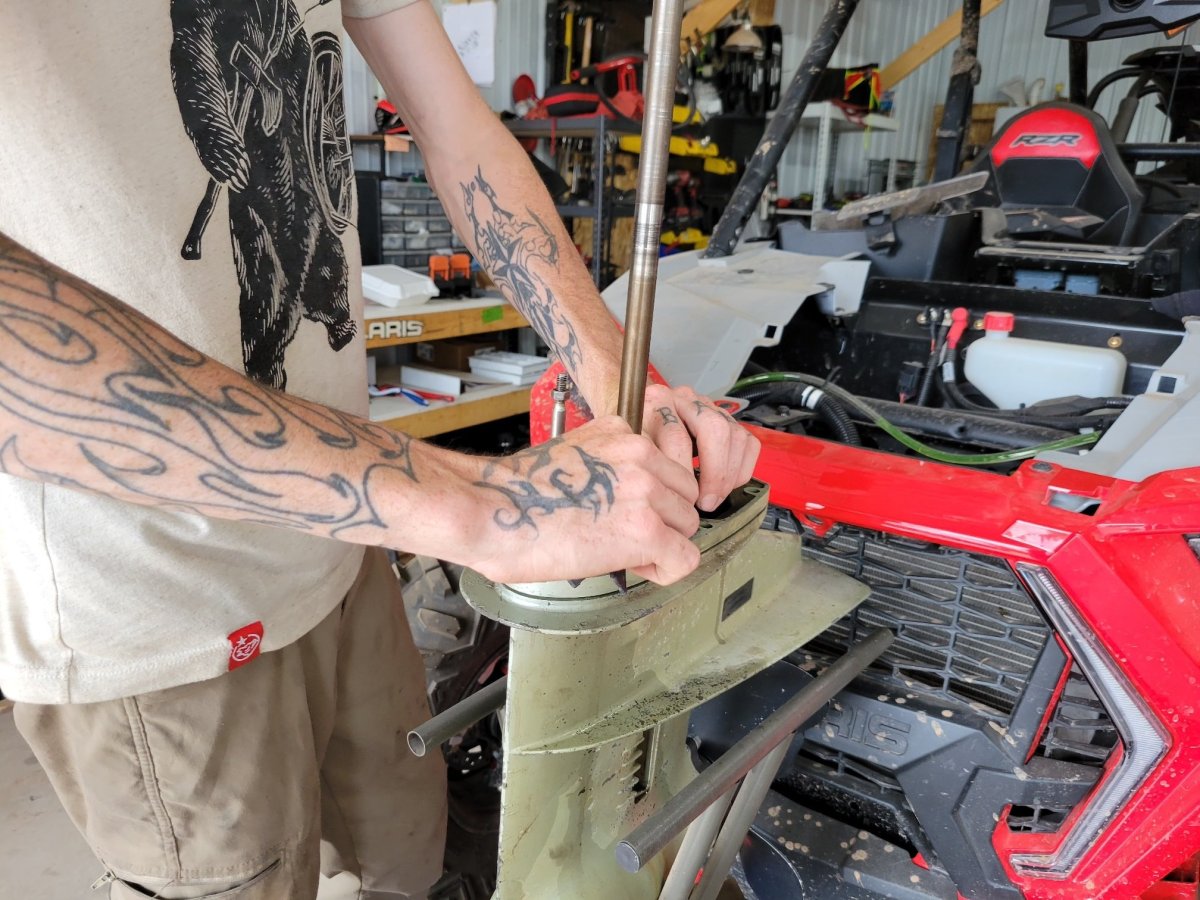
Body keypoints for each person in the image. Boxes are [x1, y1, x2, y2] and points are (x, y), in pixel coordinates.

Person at [0, 1, 759, 897]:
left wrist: (619, 379)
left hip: (346, 547)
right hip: (156, 596)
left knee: (407, 854)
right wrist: (488, 508)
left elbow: (458, 129)